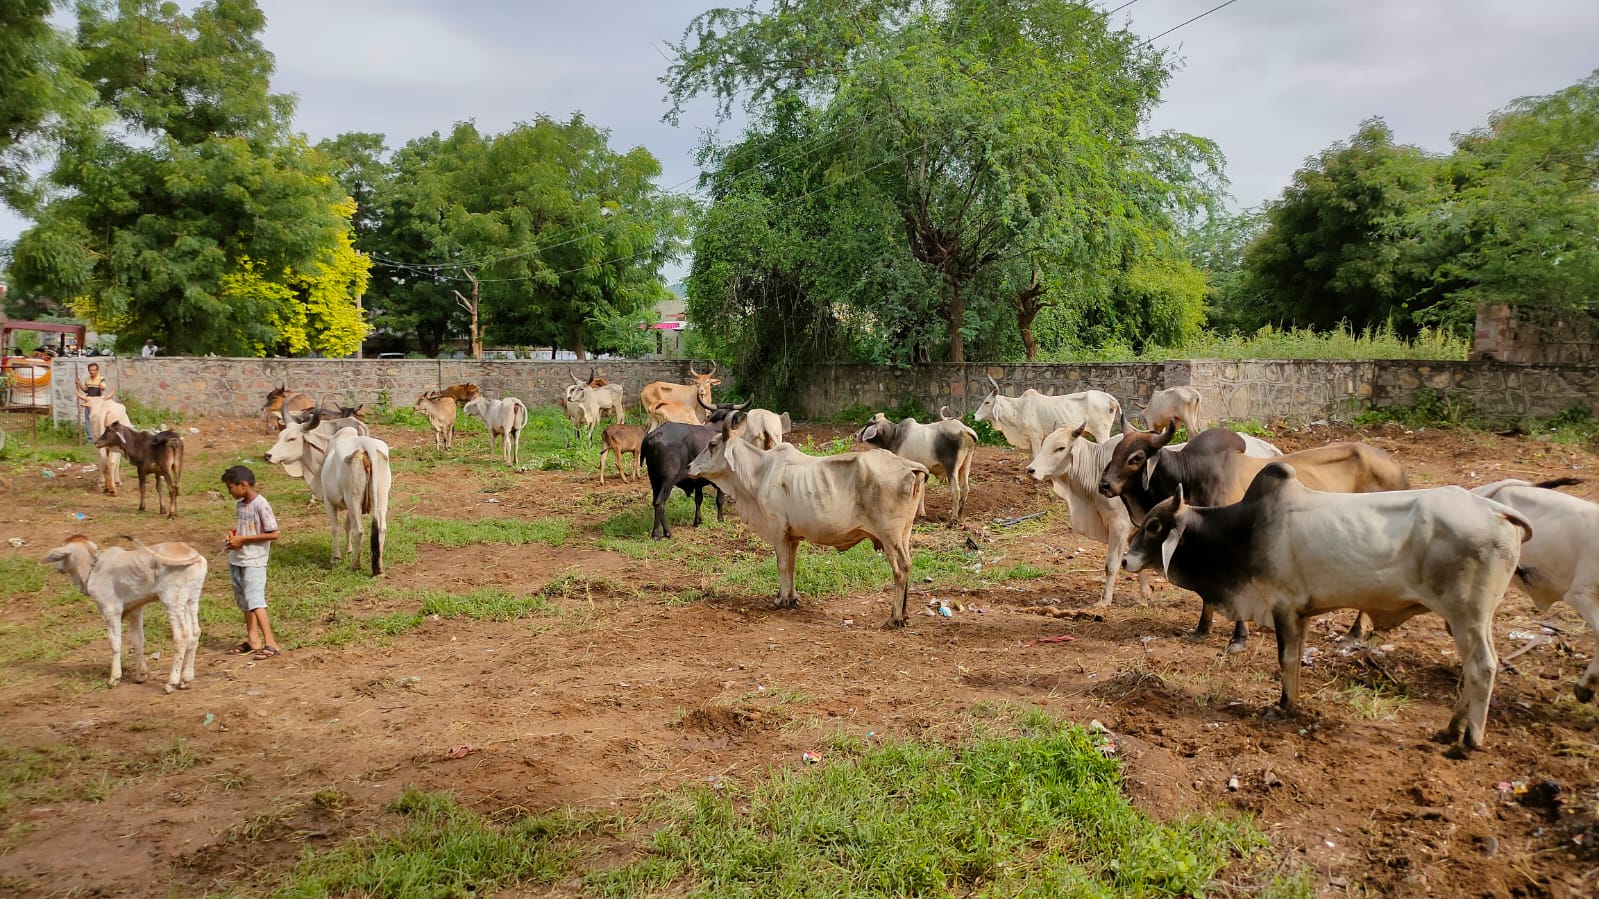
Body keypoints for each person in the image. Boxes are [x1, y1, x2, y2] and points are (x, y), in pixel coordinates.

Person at [221, 465, 281, 659]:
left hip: (254, 561)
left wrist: (243, 540)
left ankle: (271, 643)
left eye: (231, 487)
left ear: (243, 485)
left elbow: (274, 533)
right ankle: (252, 639)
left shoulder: (261, 504)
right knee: (245, 601)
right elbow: (246, 528)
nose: (229, 492)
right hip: (238, 559)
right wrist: (234, 536)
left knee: (255, 601)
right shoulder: (240, 504)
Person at [78, 362, 107, 442]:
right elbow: (86, 390)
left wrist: (101, 387)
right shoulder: (87, 379)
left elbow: (103, 388)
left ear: (97, 370)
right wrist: (79, 384)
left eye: (93, 370)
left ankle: (100, 436)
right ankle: (90, 438)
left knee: (99, 420)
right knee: (88, 420)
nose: (92, 372)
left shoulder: (102, 379)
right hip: (89, 402)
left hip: (97, 402)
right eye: (90, 370)